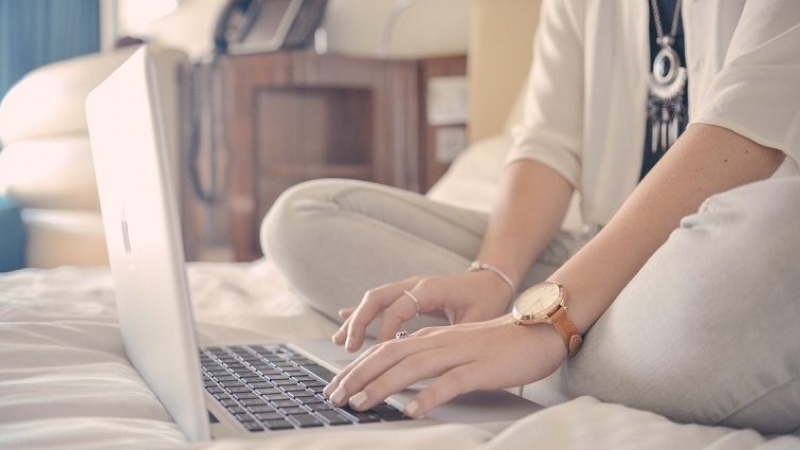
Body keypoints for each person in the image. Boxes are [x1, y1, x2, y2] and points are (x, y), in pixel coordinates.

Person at [262, 0, 800, 435]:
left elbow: (745, 129)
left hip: (715, 255)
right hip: (594, 247)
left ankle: (523, 350)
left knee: (784, 230)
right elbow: (547, 143)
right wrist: (493, 275)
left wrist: (543, 324)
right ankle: (524, 346)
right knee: (305, 217)